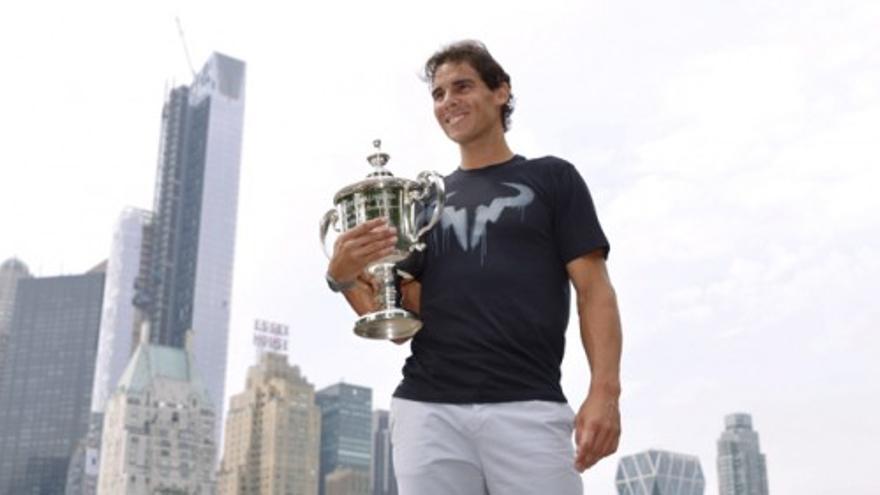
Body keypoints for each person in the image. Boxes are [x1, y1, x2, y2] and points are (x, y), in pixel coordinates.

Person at [325, 40, 622, 494]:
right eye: (439, 94)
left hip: (529, 404)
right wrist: (343, 276)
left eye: (462, 86)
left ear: (500, 92)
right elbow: (402, 325)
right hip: (428, 409)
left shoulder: (552, 178)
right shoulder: (421, 203)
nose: (449, 102)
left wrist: (605, 390)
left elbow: (594, 291)